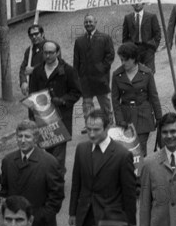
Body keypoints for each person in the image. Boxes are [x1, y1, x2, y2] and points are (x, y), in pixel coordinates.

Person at [69, 108, 137, 226]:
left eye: (96, 130)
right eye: (89, 129)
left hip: (111, 220)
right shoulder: (81, 149)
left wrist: (131, 224)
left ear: (107, 128)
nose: (92, 134)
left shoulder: (122, 155)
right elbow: (76, 183)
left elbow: (129, 193)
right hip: (86, 218)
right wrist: (73, 212)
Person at [1, 120, 64, 226]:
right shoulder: (8, 161)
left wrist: (40, 217)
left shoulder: (49, 162)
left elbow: (56, 196)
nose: (23, 140)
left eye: (27, 136)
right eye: (20, 136)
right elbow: (4, 191)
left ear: (35, 139)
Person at [29, 39, 81, 173]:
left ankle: (57, 184)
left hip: (60, 120)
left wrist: (63, 100)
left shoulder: (68, 71)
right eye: (45, 53)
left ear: (58, 53)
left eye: (51, 53)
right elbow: (32, 94)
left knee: (58, 157)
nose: (47, 56)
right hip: (42, 120)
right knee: (45, 154)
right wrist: (32, 119)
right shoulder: (37, 72)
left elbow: (76, 92)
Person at [112, 42, 162, 157]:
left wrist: (159, 118)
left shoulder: (147, 73)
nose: (123, 63)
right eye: (121, 60)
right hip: (126, 117)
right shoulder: (116, 75)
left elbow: (154, 96)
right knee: (127, 151)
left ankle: (141, 173)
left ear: (134, 58)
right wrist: (119, 120)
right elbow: (115, 100)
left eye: (126, 60)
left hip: (143, 115)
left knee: (141, 149)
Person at [73, 13, 115, 130]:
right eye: (86, 22)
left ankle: (109, 124)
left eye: (90, 22)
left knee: (105, 104)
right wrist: (76, 76)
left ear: (95, 22)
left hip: (100, 78)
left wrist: (101, 68)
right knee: (87, 105)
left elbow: (110, 55)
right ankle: (90, 125)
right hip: (85, 79)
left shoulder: (105, 37)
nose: (88, 24)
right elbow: (76, 60)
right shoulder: (79, 41)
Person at [122, 3, 161, 73]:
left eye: (139, 1)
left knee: (150, 72)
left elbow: (157, 33)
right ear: (132, 4)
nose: (137, 4)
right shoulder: (128, 18)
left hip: (148, 49)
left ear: (143, 3)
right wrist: (128, 49)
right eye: (135, 2)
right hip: (134, 50)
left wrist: (154, 46)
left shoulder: (151, 16)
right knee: (135, 73)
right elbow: (125, 36)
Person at [19, 24, 46, 97]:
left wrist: (34, 69)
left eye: (36, 34)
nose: (34, 37)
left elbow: (51, 64)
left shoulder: (51, 46)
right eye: (31, 35)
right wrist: (23, 82)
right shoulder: (29, 51)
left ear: (42, 34)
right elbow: (23, 68)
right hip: (33, 87)